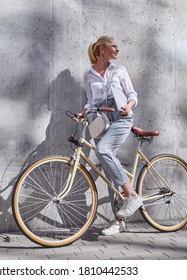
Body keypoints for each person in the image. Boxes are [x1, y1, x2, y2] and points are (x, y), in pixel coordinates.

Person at [77, 35, 142, 236]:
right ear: (102, 48)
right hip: (100, 120)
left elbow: (132, 95)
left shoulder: (119, 70)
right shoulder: (89, 74)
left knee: (103, 150)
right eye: (114, 46)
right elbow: (91, 100)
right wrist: (84, 111)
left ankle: (131, 195)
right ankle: (118, 221)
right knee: (109, 171)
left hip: (121, 118)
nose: (117, 50)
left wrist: (127, 106)